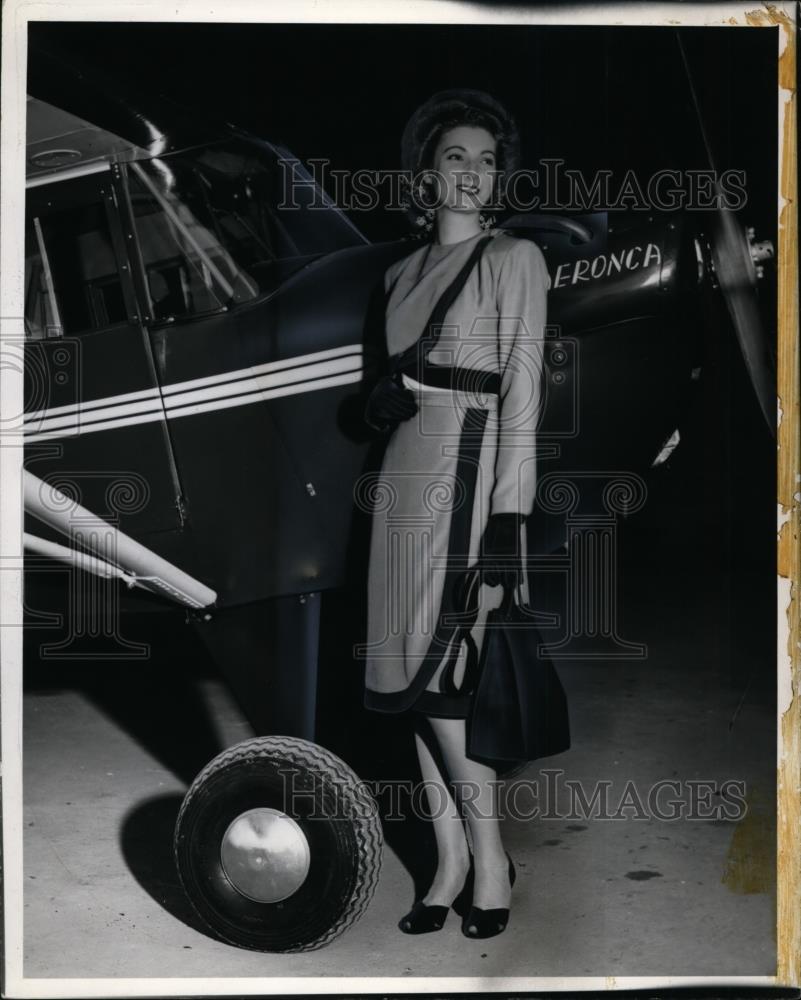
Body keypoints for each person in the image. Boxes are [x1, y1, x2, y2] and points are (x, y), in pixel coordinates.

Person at [361, 89, 549, 939]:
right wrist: (374, 406)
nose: (471, 173)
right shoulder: (395, 273)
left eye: (485, 159)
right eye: (453, 158)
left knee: (447, 678)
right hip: (399, 480)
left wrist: (508, 524)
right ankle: (445, 863)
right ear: (426, 174)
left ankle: (491, 857)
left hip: (467, 480)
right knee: (404, 675)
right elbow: (385, 381)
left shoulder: (514, 258)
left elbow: (523, 395)